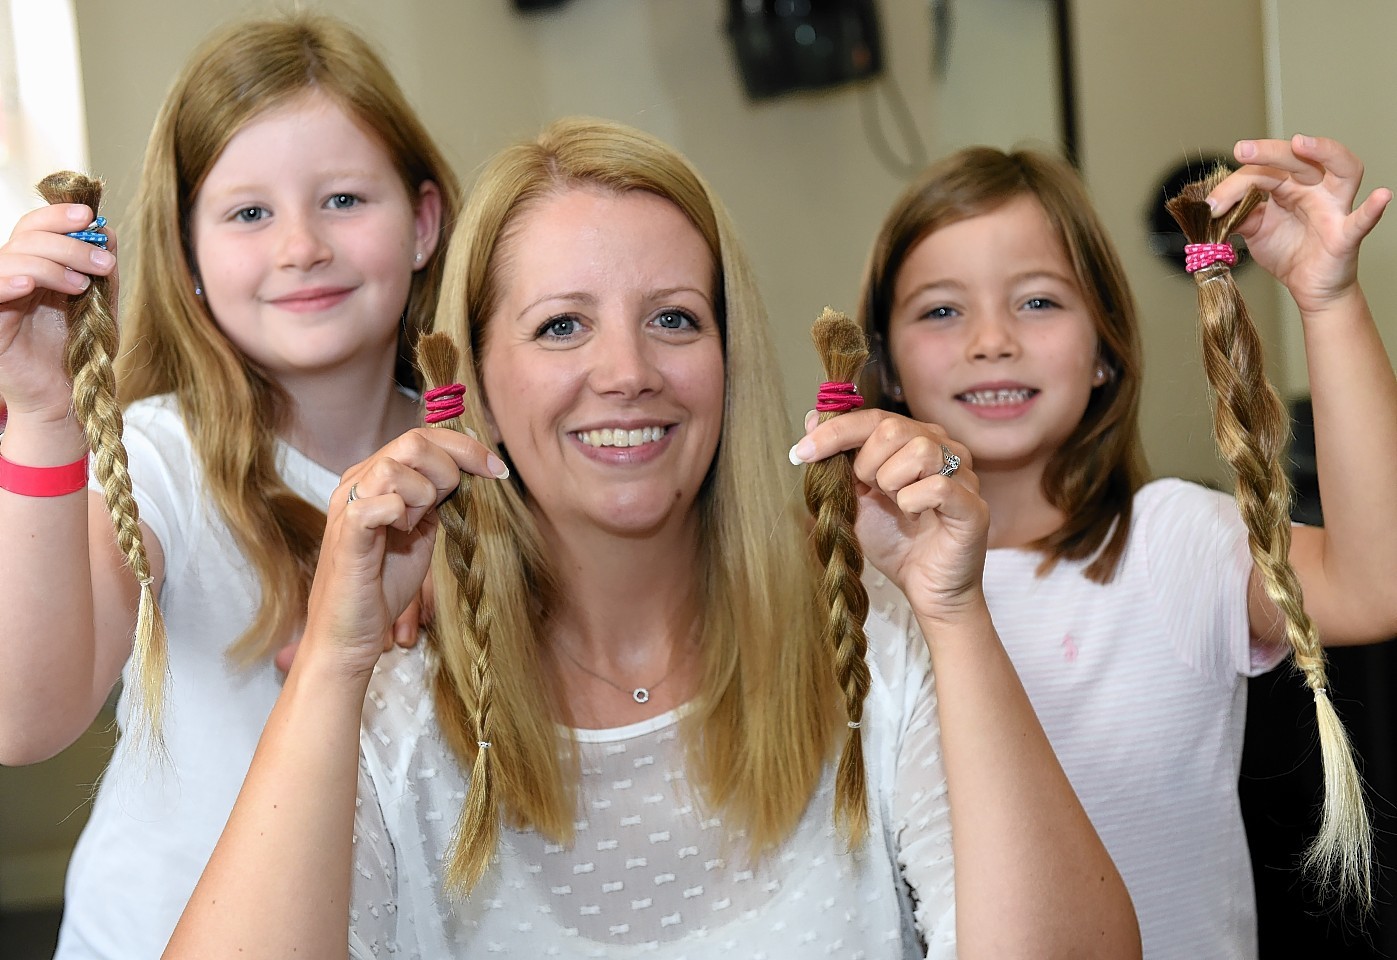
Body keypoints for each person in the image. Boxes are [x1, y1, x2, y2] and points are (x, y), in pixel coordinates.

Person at [162, 117, 1139, 959]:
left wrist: (954, 616)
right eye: (559, 328)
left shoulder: (871, 648)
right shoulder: (399, 704)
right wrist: (337, 658)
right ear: (475, 387)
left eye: (673, 318)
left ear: (727, 359)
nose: (627, 371)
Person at [852, 135, 1397, 958]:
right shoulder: (859, 584)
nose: (990, 339)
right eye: (940, 309)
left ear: (1105, 346)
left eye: (1036, 301)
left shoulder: (1169, 544)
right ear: (884, 365)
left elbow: (1373, 584)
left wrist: (1326, 300)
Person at [0, 13, 459, 957]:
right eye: (249, 213)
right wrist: (47, 419)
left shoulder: (475, 462)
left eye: (342, 200)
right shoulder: (159, 458)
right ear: (188, 256)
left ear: (421, 223)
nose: (300, 247)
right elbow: (24, 719)